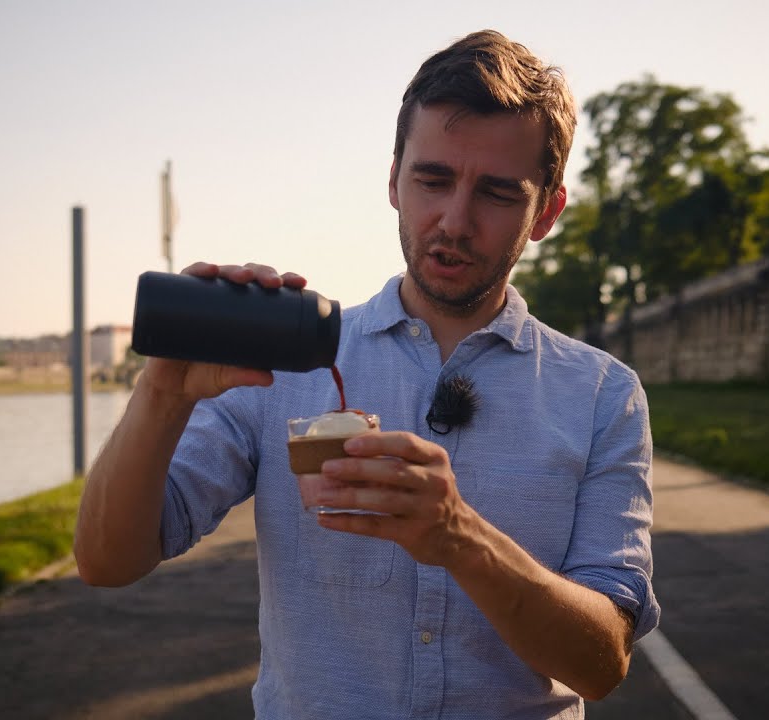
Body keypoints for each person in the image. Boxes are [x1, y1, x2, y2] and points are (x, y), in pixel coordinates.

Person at [74, 29, 658, 719]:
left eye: (498, 193)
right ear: (392, 180)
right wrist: (163, 393)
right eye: (432, 179)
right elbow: (108, 561)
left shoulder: (601, 396)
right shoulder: (283, 367)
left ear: (546, 214)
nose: (454, 219)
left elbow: (601, 664)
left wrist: (460, 539)